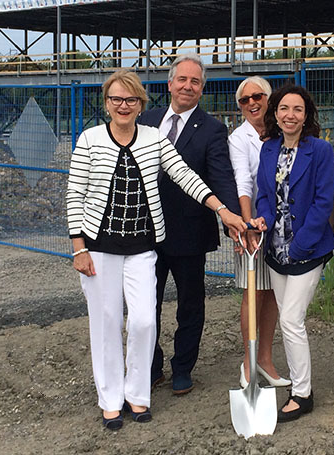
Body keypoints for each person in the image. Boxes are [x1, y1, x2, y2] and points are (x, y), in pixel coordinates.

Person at [66, 70, 246, 431]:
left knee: (144, 320)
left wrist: (223, 210)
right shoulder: (90, 139)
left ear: (140, 104)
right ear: (107, 103)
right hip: (99, 248)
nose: (123, 105)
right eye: (116, 99)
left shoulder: (153, 138)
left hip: (143, 247)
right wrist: (78, 249)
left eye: (131, 99)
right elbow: (75, 193)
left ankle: (138, 393)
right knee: (106, 322)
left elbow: (185, 176)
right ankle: (111, 399)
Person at [138, 54, 241, 396]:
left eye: (195, 82)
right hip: (146, 233)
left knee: (190, 306)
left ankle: (182, 368)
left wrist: (230, 216)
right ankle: (151, 367)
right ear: (170, 83)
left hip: (190, 233)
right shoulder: (146, 120)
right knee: (145, 307)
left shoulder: (212, 129)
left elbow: (221, 176)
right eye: (182, 79)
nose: (187, 86)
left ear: (202, 89)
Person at [251, 84, 334, 423]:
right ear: (275, 113)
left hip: (307, 249)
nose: (290, 115)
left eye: (297, 109)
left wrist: (300, 245)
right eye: (284, 108)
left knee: (290, 319)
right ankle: (299, 385)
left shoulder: (320, 150)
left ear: (306, 115)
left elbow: (323, 201)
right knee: (289, 321)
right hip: (275, 250)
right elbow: (263, 194)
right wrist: (263, 219)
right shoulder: (268, 148)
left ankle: (302, 394)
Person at [227, 76, 291, 389]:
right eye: (244, 100)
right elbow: (243, 181)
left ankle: (265, 359)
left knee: (274, 293)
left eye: (258, 97)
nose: (252, 103)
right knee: (253, 292)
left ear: (269, 99)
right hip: (253, 224)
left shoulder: (281, 131)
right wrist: (248, 225)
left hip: (281, 226)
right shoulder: (239, 139)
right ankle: (249, 362)